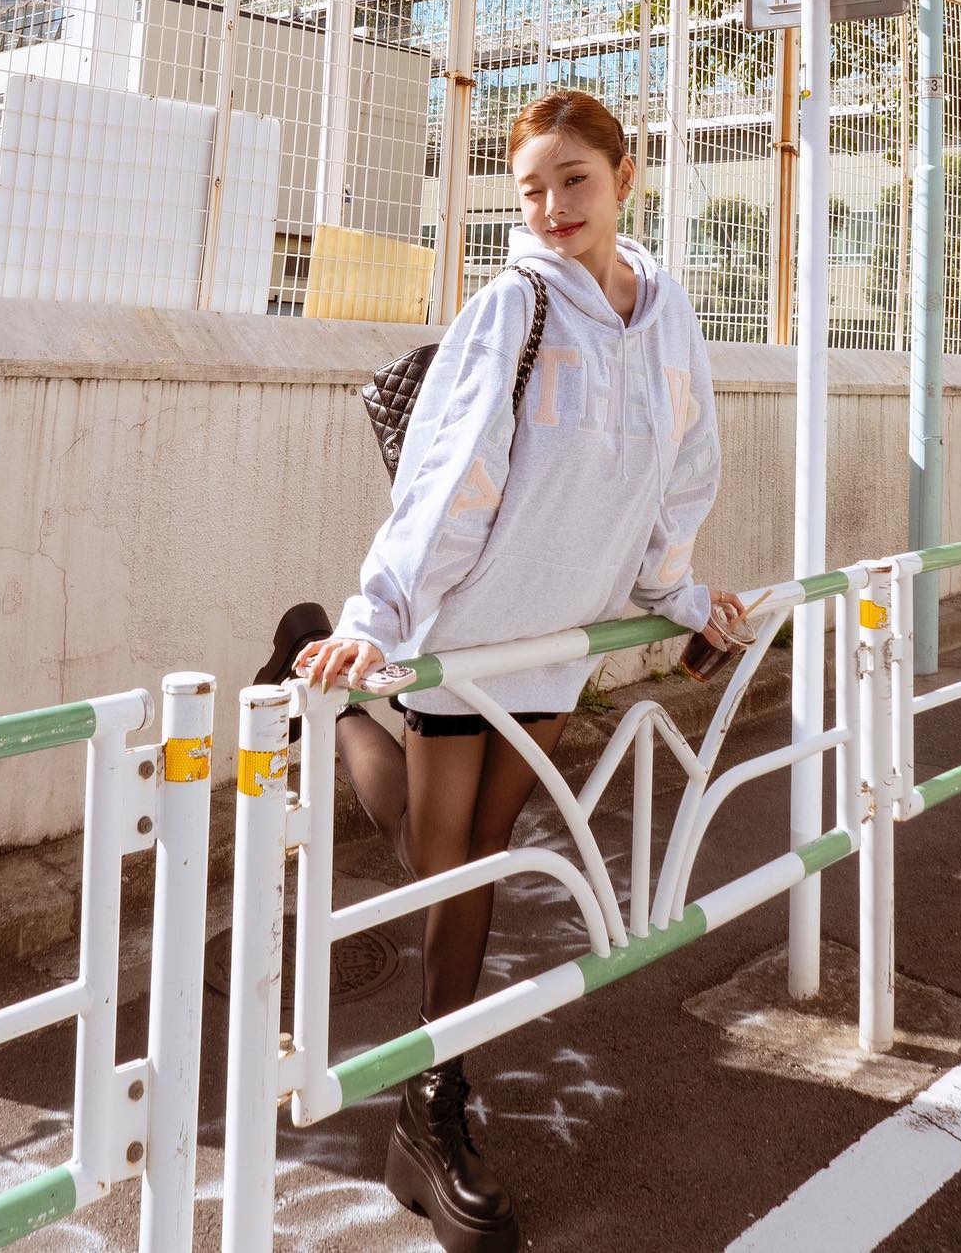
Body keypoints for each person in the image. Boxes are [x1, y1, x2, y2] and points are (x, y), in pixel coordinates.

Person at [256, 89, 743, 1253]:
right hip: (469, 627)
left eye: (575, 179)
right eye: (531, 187)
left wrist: (676, 590)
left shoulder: (669, 312)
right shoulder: (513, 303)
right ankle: (432, 1107)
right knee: (452, 868)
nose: (553, 205)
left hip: (554, 640)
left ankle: (309, 680)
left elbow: (684, 461)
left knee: (460, 851)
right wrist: (381, 615)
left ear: (625, 177)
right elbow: (450, 469)